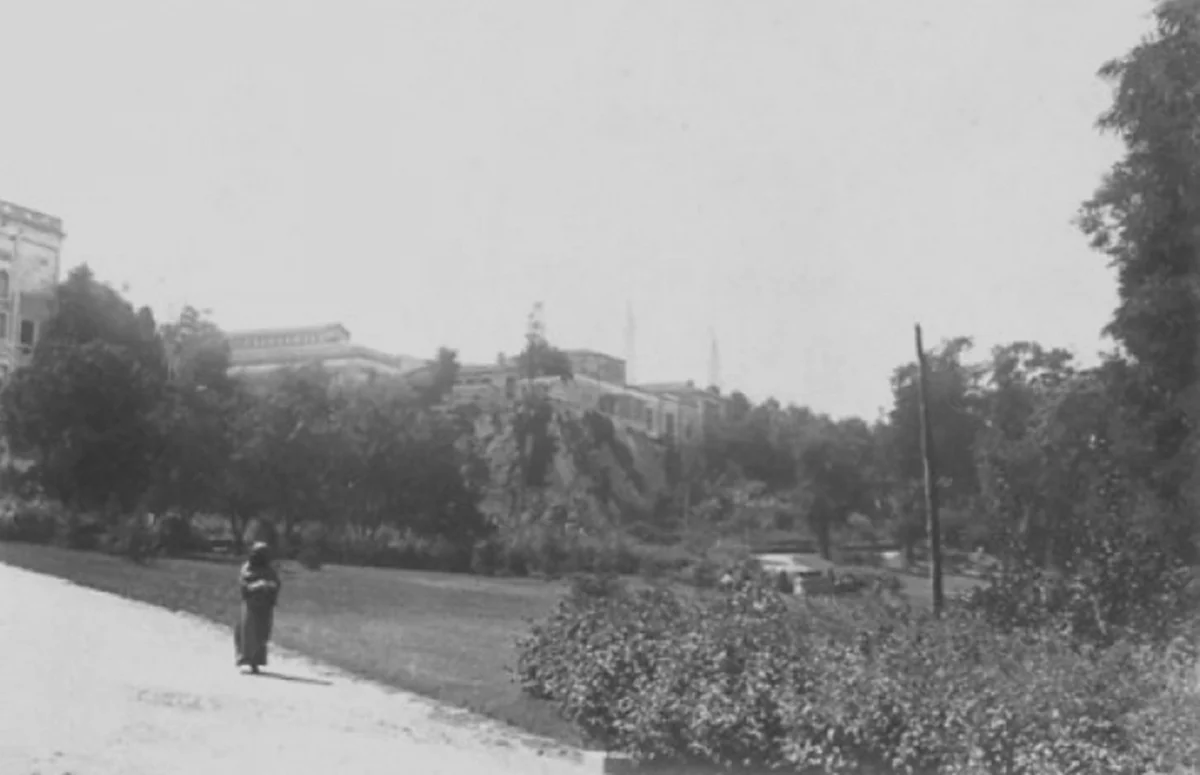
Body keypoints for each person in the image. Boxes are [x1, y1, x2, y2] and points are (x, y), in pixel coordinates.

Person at [235, 542, 281, 674]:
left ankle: (257, 661)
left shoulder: (269, 570)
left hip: (265, 607)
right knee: (248, 632)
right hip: (251, 605)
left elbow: (276, 584)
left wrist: (270, 587)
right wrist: (257, 585)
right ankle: (245, 658)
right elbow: (244, 584)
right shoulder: (247, 568)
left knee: (262, 634)